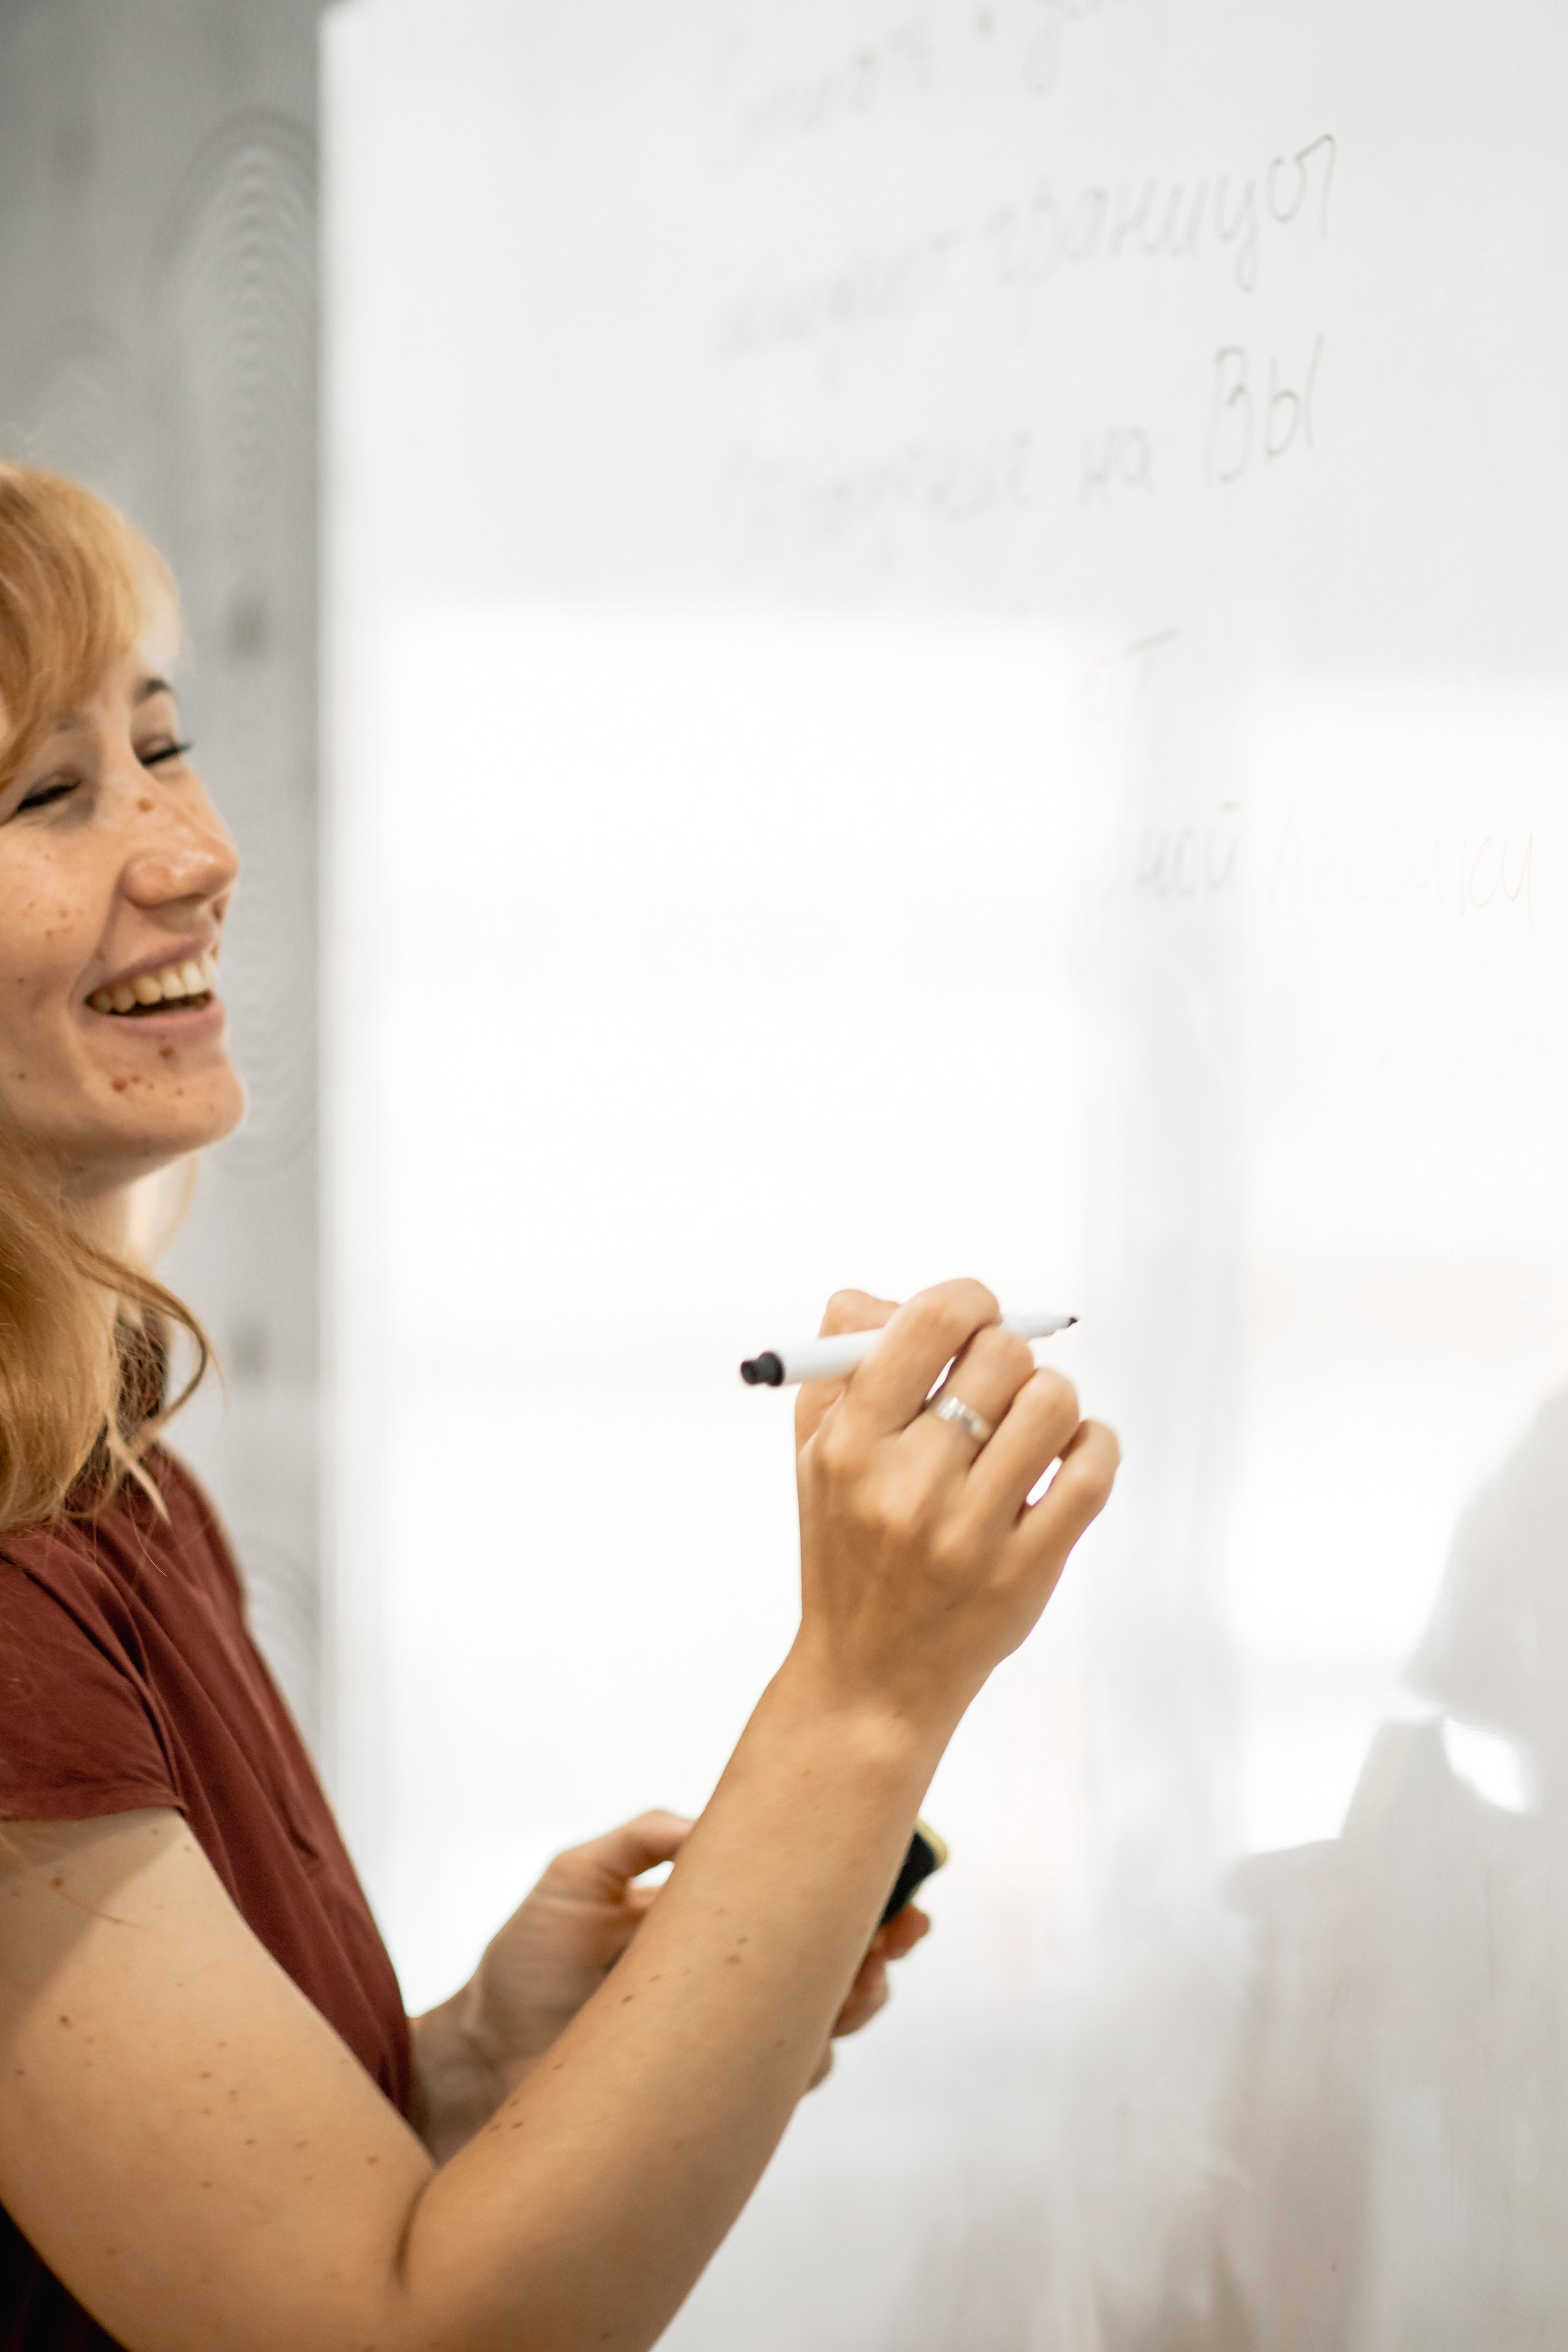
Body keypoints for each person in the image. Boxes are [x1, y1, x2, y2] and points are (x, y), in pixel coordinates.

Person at [0, 464, 1118, 2352]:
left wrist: (468, 2072)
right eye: (48, 793)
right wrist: (866, 1693)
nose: (194, 855)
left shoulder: (118, 1495)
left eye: (164, 746)